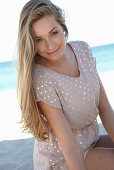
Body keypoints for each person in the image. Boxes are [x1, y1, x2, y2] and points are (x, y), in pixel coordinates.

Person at [17, 0, 114, 169]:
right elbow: (70, 147)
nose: (50, 45)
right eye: (39, 39)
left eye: (53, 33)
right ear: (31, 43)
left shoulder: (82, 50)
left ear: (62, 27)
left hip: (91, 141)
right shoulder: (41, 78)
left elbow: (105, 109)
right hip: (62, 158)